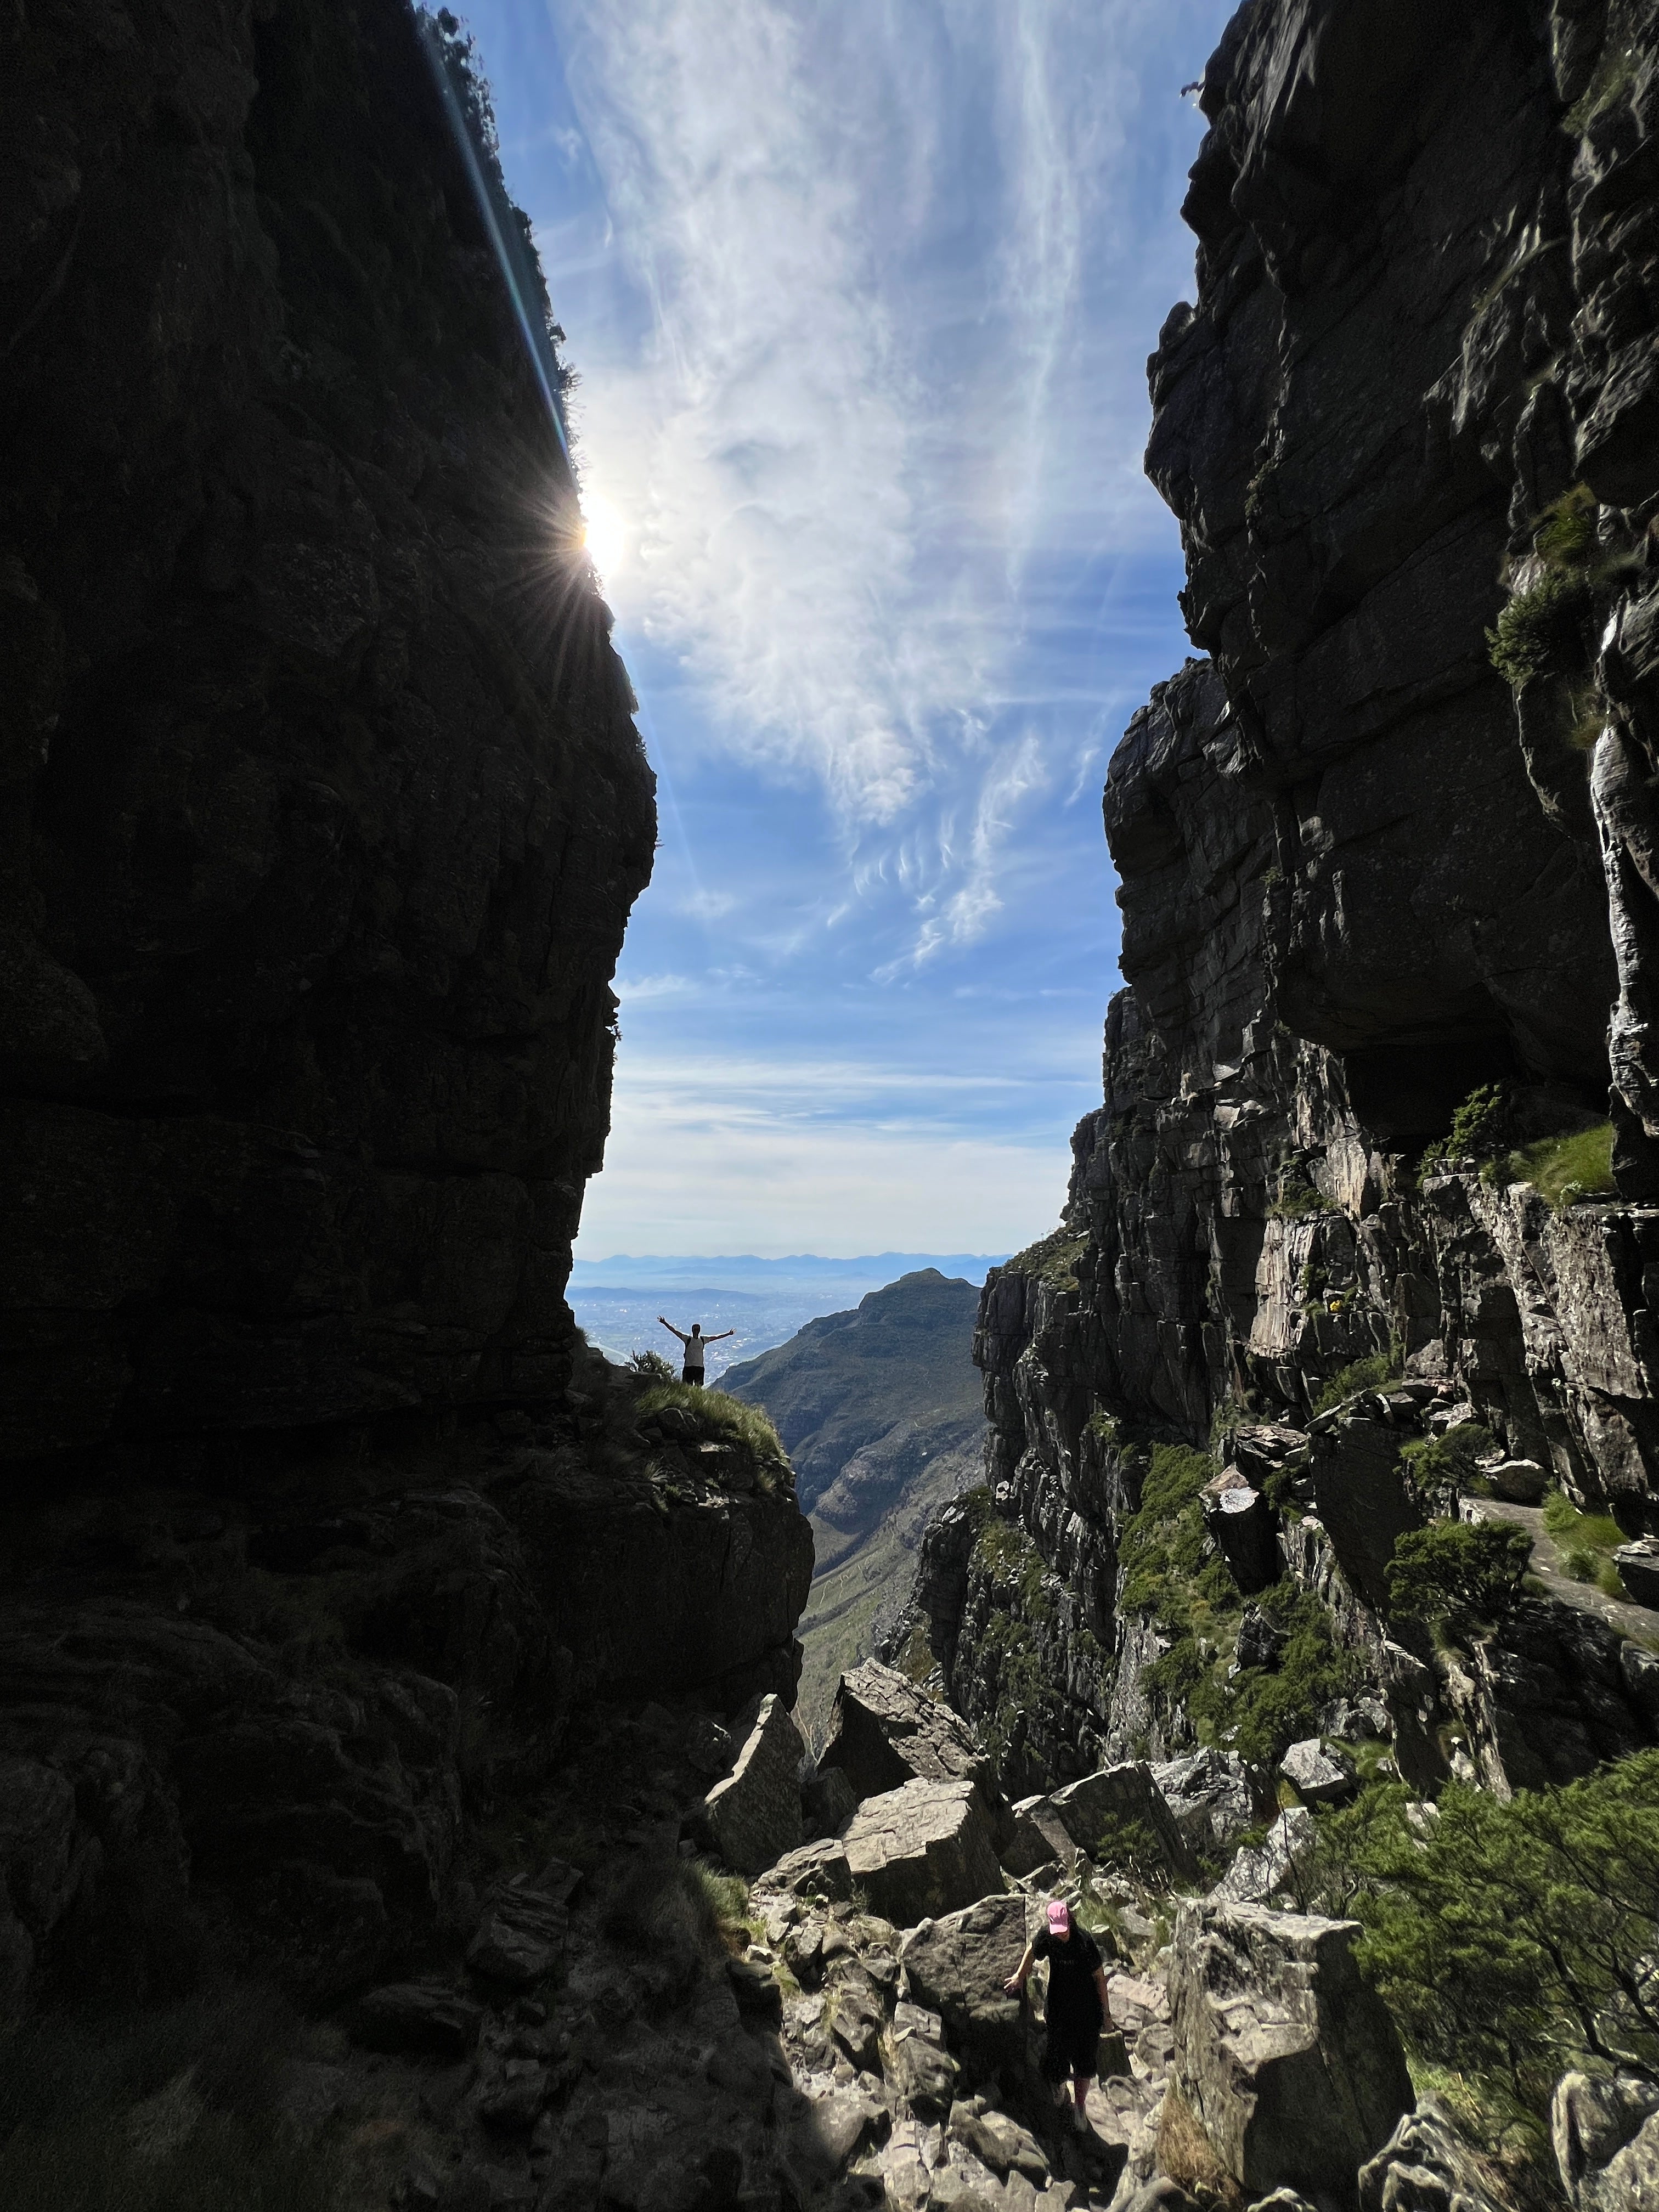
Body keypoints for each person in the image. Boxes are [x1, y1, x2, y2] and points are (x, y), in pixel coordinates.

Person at [1004, 1899, 1112, 2132]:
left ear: (1069, 1921)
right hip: (1059, 2008)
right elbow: (1032, 1951)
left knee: (1085, 2063)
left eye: (1064, 1930)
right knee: (1057, 2056)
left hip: (1086, 2011)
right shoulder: (1048, 1937)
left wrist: (1106, 2014)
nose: (1061, 1935)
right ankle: (1060, 2090)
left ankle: (1080, 2106)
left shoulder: (1084, 1941)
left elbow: (1099, 1978)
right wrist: (1019, 1976)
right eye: (1058, 1930)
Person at [656, 1316, 734, 1387]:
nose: (696, 1331)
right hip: (689, 1367)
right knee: (687, 1387)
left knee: (698, 1387)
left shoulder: (703, 1340)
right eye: (695, 1329)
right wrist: (665, 1323)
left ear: (699, 1330)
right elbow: (675, 1331)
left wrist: (728, 1334)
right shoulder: (688, 1339)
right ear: (692, 1330)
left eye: (697, 1329)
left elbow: (717, 1337)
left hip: (699, 1367)